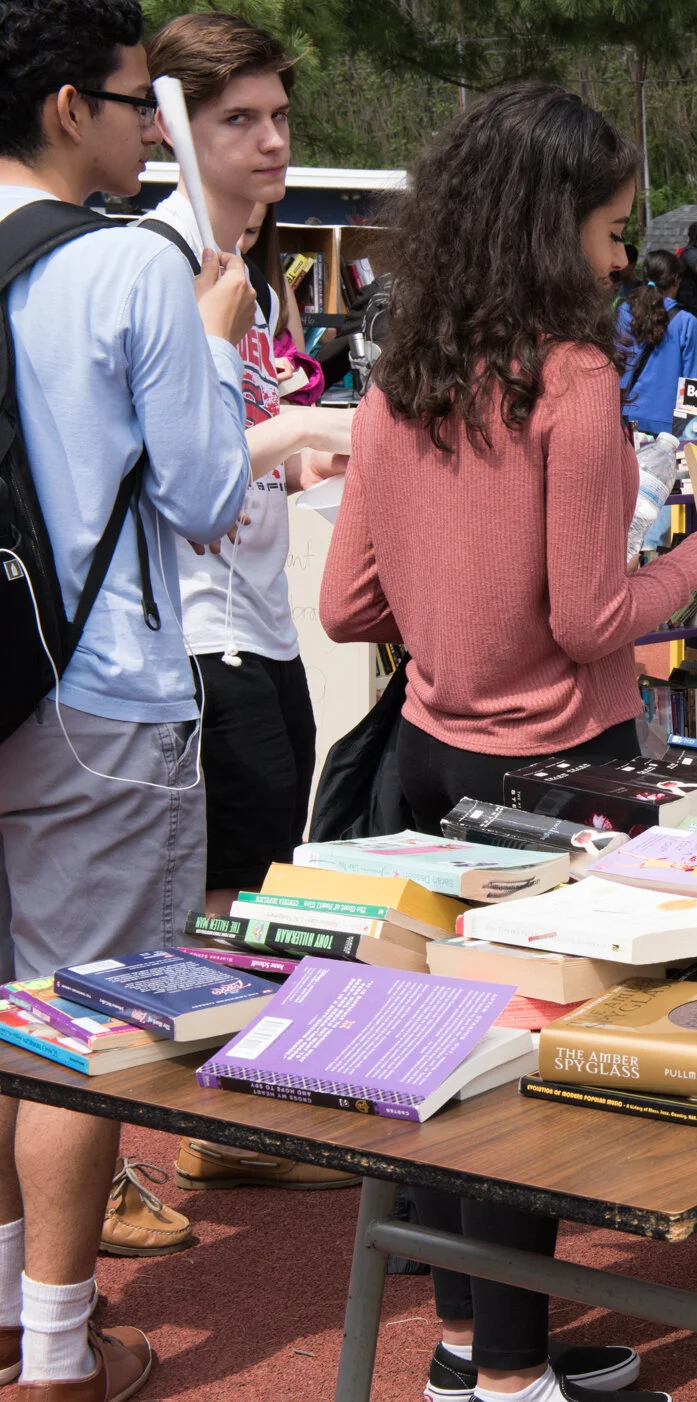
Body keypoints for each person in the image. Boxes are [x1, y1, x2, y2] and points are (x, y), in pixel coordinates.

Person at [321, 83, 697, 1402]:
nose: (628, 255)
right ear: (552, 225)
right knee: (528, 1079)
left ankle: (474, 1343)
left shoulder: (400, 374)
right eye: (614, 228)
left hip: (426, 759)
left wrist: (448, 594)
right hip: (561, 774)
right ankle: (509, 1375)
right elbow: (589, 617)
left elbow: (349, 600)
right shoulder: (569, 380)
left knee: (448, 1055)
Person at [0, 0, 259, 1392]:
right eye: (130, 100)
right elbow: (209, 492)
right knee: (70, 1024)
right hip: (96, 690)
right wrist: (215, 334)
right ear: (64, 110)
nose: (146, 129)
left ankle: (6, 1309)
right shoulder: (126, 270)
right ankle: (55, 1355)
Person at [144, 10, 369, 1230]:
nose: (272, 139)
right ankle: (203, 1135)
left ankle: (232, 1112)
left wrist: (300, 454)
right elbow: (170, 471)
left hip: (263, 621)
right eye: (240, 119)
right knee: (222, 882)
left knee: (265, 871)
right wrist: (293, 435)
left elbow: (251, 453)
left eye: (280, 115)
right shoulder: (163, 261)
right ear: (176, 127)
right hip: (188, 628)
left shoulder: (252, 268)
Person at [615, 249, 697, 435]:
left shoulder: (623, 313)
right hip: (668, 425)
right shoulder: (686, 322)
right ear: (676, 280)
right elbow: (693, 383)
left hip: (625, 416)